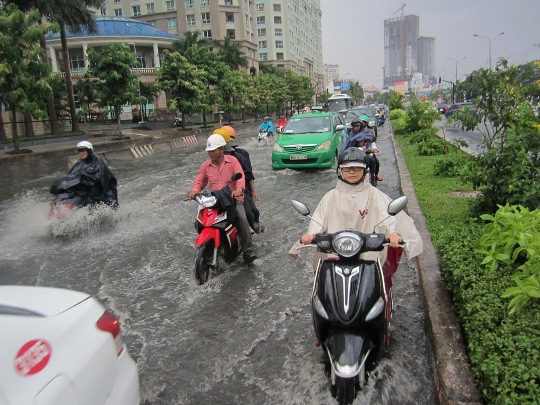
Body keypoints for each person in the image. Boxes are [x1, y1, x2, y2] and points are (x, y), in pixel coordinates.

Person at [290, 147, 423, 297]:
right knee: (324, 292)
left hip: (368, 251)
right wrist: (311, 234)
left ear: (365, 170)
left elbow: (386, 214)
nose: (352, 172)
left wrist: (392, 233)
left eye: (357, 168)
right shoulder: (331, 196)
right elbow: (319, 218)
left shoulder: (374, 194)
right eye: (347, 169)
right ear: (340, 171)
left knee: (376, 289)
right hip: (336, 250)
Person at [188, 134, 257, 264]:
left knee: (242, 218)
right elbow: (199, 181)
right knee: (199, 221)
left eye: (213, 151)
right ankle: (209, 244)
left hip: (232, 198)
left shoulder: (233, 161)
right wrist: (194, 191)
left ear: (221, 149)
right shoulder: (205, 165)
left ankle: (247, 249)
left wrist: (238, 189)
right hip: (214, 199)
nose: (211, 154)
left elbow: (241, 177)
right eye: (209, 151)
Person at [216, 127, 265, 234]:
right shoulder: (211, 161)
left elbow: (247, 175)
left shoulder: (239, 156)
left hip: (241, 189)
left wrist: (252, 192)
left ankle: (254, 226)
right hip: (221, 193)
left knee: (250, 212)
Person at [50, 141, 118, 207]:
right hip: (83, 191)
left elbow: (96, 176)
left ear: (89, 151)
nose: (81, 153)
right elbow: (70, 176)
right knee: (62, 198)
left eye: (83, 151)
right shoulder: (80, 163)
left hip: (98, 192)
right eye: (79, 151)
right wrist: (62, 184)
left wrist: (81, 177)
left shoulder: (98, 161)